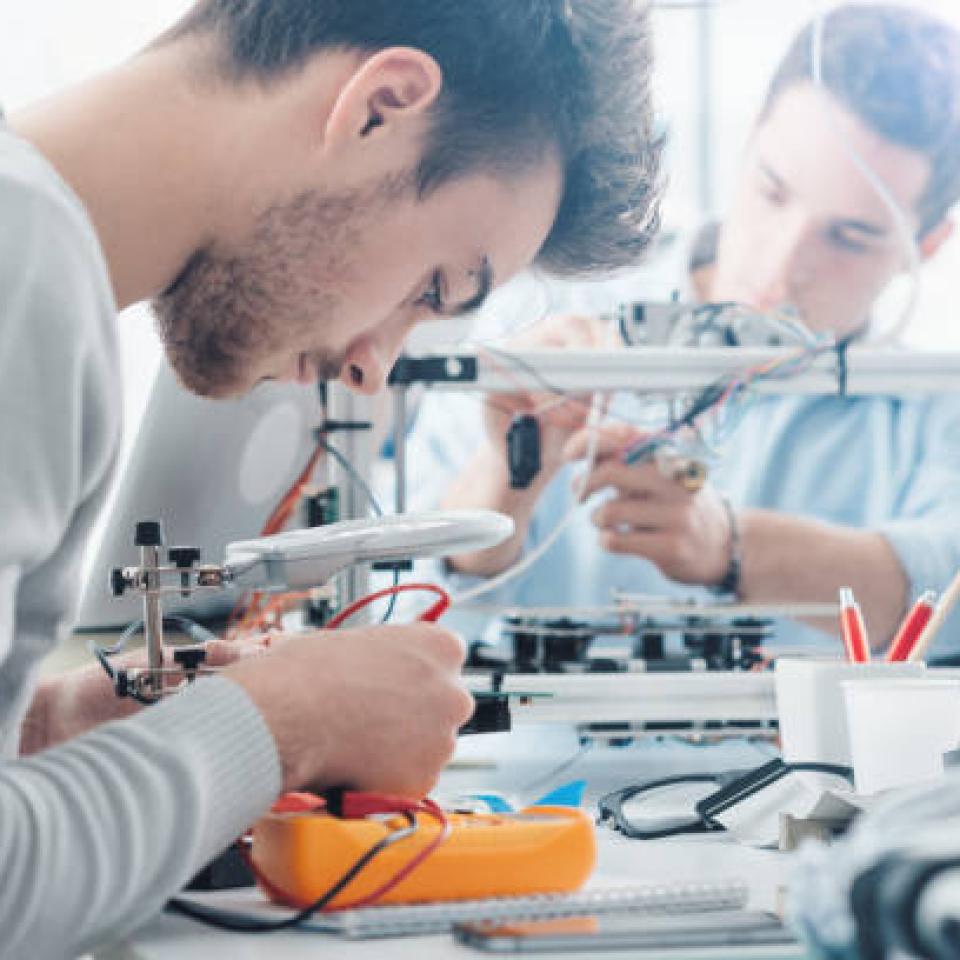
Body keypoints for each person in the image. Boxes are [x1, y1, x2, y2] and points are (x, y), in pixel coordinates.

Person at [0, 2, 661, 956]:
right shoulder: (23, 265)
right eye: (434, 288)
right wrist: (280, 724)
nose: (373, 368)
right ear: (380, 106)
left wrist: (52, 728)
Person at [409, 3, 960, 654]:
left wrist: (729, 546)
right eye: (773, 191)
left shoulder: (931, 408)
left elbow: (945, 597)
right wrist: (506, 477)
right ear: (748, 142)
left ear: (927, 244)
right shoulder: (544, 319)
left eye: (850, 236)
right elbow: (393, 617)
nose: (782, 266)